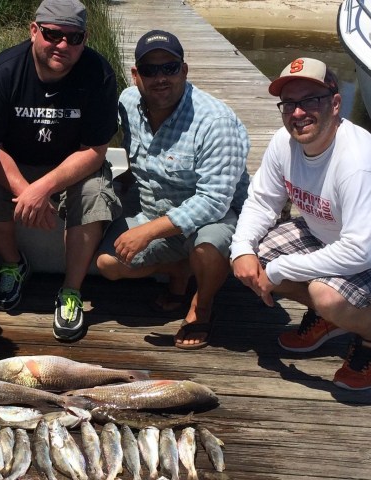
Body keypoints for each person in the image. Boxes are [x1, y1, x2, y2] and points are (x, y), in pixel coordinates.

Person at [230, 57, 371, 390]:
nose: (298, 113)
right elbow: (261, 202)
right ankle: (329, 320)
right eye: (289, 103)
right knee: (254, 259)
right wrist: (242, 250)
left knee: (327, 295)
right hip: (329, 234)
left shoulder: (359, 162)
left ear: (335, 103)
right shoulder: (282, 143)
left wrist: (281, 269)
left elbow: (361, 253)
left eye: (310, 101)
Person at [0, 0, 121, 342]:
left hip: (73, 166)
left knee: (95, 194)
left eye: (74, 37)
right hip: (15, 163)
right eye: (52, 34)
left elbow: (95, 152)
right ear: (34, 30)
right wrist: (26, 190)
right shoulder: (2, 72)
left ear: (85, 39)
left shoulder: (99, 74)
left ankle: (71, 290)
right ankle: (13, 263)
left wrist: (45, 188)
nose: (63, 45)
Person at [95, 30, 250, 350]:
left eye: (170, 67)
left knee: (207, 248)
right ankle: (180, 269)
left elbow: (214, 200)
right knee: (107, 265)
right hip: (154, 208)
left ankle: (202, 306)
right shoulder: (126, 101)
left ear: (184, 70)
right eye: (150, 70)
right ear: (136, 76)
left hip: (212, 218)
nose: (161, 77)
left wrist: (149, 232)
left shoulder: (215, 120)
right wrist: (129, 179)